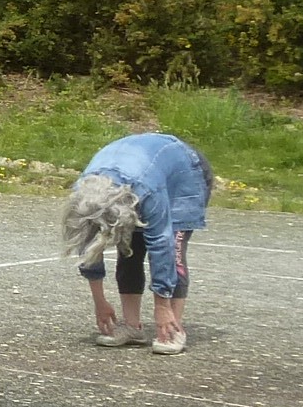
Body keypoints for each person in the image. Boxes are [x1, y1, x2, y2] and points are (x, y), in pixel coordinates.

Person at [65, 132, 212, 356]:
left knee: (174, 248)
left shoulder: (148, 191)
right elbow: (87, 244)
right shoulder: (83, 194)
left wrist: (161, 307)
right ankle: (132, 326)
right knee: (130, 248)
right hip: (136, 172)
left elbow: (161, 244)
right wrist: (99, 302)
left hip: (183, 174)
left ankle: (172, 327)